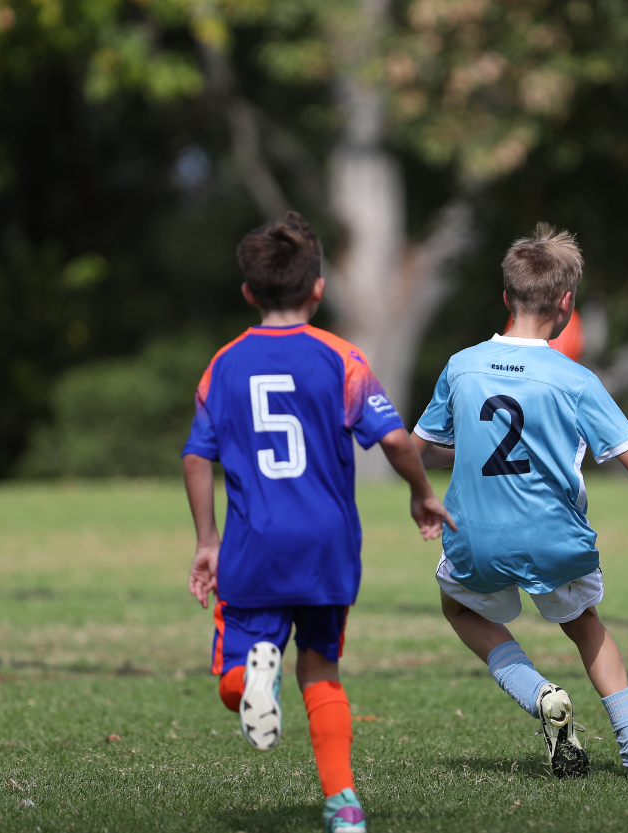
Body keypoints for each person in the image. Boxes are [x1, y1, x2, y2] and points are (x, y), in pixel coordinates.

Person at [411, 225, 628, 781]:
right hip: (553, 537)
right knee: (585, 626)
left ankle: (539, 692)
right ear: (567, 303)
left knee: (459, 608)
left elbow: (421, 451)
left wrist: (424, 484)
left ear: (506, 297)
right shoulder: (575, 379)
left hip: (475, 536)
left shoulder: (461, 366)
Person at [181, 212, 453, 832]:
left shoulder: (223, 365)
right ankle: (344, 805)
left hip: (254, 545)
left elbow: (197, 456)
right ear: (319, 288)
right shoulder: (341, 358)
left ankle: (255, 676)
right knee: (322, 670)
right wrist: (421, 493)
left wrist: (206, 540)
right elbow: (394, 439)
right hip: (328, 547)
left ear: (248, 292)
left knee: (234, 677)